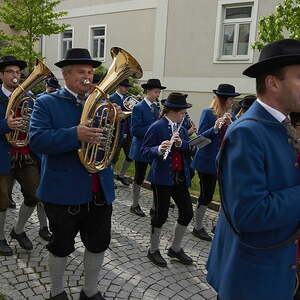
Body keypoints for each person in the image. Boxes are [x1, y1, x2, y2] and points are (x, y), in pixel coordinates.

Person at [206, 39, 300, 300]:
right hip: (254, 277)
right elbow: (249, 213)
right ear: (272, 83)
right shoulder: (248, 132)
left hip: (280, 266)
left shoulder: (281, 123)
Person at [29, 48, 122, 300]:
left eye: (91, 72)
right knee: (60, 246)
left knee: (98, 243)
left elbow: (110, 145)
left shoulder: (102, 103)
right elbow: (36, 140)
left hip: (99, 190)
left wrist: (115, 124)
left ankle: (90, 291)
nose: (88, 77)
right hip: (62, 190)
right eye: (82, 72)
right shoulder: (47, 102)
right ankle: (57, 291)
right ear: (66, 75)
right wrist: (74, 135)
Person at [141, 92, 194, 267]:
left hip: (179, 177)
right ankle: (153, 249)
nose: (184, 115)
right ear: (173, 111)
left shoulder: (182, 128)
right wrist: (158, 149)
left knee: (187, 212)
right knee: (160, 215)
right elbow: (144, 150)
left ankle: (175, 248)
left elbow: (190, 149)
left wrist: (181, 144)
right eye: (183, 112)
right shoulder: (157, 127)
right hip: (162, 178)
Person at [0, 55, 41, 256]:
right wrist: (4, 125)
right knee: (2, 199)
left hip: (25, 153)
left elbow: (36, 124)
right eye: (10, 72)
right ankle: (0, 238)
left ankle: (18, 230)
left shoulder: (28, 97)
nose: (15, 76)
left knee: (35, 194)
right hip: (3, 155)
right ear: (1, 75)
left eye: (17, 72)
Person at [191, 84, 240, 241]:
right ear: (224, 99)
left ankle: (219, 226)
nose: (233, 102)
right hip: (207, 161)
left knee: (225, 194)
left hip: (225, 161)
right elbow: (200, 138)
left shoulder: (232, 114)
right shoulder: (208, 113)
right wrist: (216, 128)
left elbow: (237, 136)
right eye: (231, 99)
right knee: (207, 194)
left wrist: (232, 124)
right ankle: (197, 227)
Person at [129, 78, 166, 217]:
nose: (158, 95)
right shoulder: (138, 107)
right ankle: (134, 204)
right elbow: (136, 130)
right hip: (141, 148)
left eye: (159, 92)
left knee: (156, 174)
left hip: (154, 147)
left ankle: (154, 206)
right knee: (139, 176)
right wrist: (154, 128)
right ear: (148, 91)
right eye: (156, 92)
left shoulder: (156, 107)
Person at [110, 79, 133, 186]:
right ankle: (110, 178)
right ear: (118, 86)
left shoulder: (128, 99)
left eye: (127, 87)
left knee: (130, 155)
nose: (127, 89)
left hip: (128, 132)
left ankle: (122, 174)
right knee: (114, 157)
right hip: (117, 132)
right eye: (124, 86)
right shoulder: (111, 98)